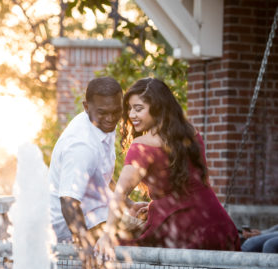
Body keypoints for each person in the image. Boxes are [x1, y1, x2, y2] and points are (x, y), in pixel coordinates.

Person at [95, 78, 241, 259]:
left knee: (115, 255)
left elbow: (119, 193)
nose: (132, 115)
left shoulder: (143, 145)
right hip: (219, 226)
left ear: (157, 107)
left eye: (138, 109)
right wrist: (156, 206)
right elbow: (186, 187)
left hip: (181, 233)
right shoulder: (192, 134)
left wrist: (107, 235)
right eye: (130, 109)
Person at [49, 76, 140, 269]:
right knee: (126, 248)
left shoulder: (101, 122)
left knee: (143, 228)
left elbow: (102, 176)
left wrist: (129, 204)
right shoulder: (81, 147)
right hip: (65, 226)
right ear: (86, 107)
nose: (110, 119)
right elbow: (68, 201)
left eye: (116, 112)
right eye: (103, 113)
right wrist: (84, 244)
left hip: (93, 212)